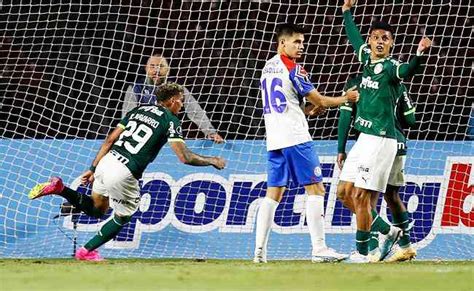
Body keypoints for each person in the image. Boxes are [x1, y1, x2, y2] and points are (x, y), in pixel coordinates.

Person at [29, 83, 226, 261]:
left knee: (97, 209)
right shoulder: (171, 120)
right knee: (124, 216)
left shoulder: (137, 111)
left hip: (107, 162)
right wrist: (212, 161)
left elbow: (109, 140)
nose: (182, 106)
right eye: (181, 102)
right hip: (125, 171)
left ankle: (60, 188)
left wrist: (93, 168)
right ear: (173, 101)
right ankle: (86, 251)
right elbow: (185, 157)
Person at [254, 23, 360, 263]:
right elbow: (320, 99)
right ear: (283, 43)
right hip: (296, 137)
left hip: (274, 138)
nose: (301, 46)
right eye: (296, 42)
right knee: (316, 189)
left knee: (273, 193)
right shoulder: (294, 68)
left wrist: (308, 111)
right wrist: (347, 97)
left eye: (302, 42)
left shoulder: (268, 66)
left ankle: (259, 251)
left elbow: (289, 102)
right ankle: (319, 249)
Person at [340, 0, 431, 263]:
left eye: (386, 39)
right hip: (364, 138)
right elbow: (353, 36)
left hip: (382, 139)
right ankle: (389, 231)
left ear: (391, 44)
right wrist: (347, 11)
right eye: (376, 38)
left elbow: (408, 70)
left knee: (362, 196)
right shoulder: (366, 57)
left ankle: (362, 253)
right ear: (370, 41)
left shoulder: (391, 68)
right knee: (344, 193)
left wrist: (419, 54)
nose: (380, 42)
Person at [336, 74, 417, 262]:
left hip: (375, 142)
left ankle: (372, 251)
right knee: (391, 196)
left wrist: (341, 148)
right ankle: (406, 246)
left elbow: (345, 116)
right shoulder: (397, 83)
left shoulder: (356, 83)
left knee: (366, 196)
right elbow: (410, 119)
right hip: (398, 144)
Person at [122, 53, 224, 143]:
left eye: (161, 66)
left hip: (169, 138)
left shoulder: (177, 89)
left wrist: (210, 132)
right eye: (152, 66)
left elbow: (195, 111)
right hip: (141, 138)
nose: (156, 70)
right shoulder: (135, 88)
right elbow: (128, 115)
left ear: (168, 70)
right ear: (146, 68)